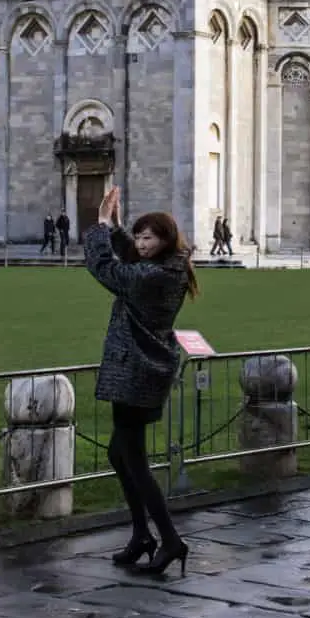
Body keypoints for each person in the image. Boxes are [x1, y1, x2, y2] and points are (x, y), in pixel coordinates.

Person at [84, 186, 197, 576]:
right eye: (139, 235)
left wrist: (99, 228)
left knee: (133, 458)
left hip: (136, 371)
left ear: (165, 241)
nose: (140, 243)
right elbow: (132, 258)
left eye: (148, 237)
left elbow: (108, 269)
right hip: (142, 369)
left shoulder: (152, 277)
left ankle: (169, 539)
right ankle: (141, 535)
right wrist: (117, 226)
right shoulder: (168, 268)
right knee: (120, 453)